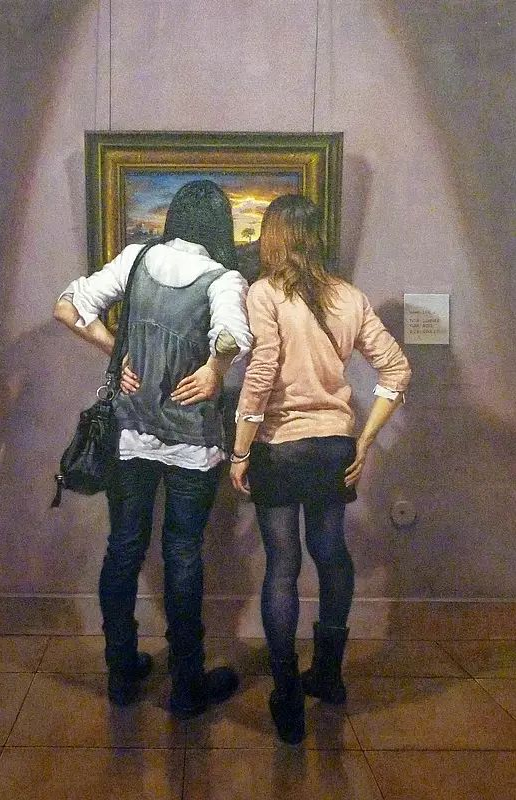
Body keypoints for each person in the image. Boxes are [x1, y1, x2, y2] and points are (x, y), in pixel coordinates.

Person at [54, 180, 252, 716]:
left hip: (130, 433)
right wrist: (215, 369)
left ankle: (121, 674)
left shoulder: (137, 258)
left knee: (123, 548)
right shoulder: (223, 277)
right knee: (183, 553)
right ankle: (187, 686)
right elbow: (233, 335)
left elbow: (67, 307)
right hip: (191, 441)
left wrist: (115, 349)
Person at [230, 194, 411, 744]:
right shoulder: (350, 298)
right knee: (331, 555)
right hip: (334, 444)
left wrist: (240, 450)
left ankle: (287, 692)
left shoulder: (264, 293)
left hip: (280, 445)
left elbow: (261, 372)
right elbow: (396, 371)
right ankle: (328, 674)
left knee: (282, 566)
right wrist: (365, 440)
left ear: (274, 237)